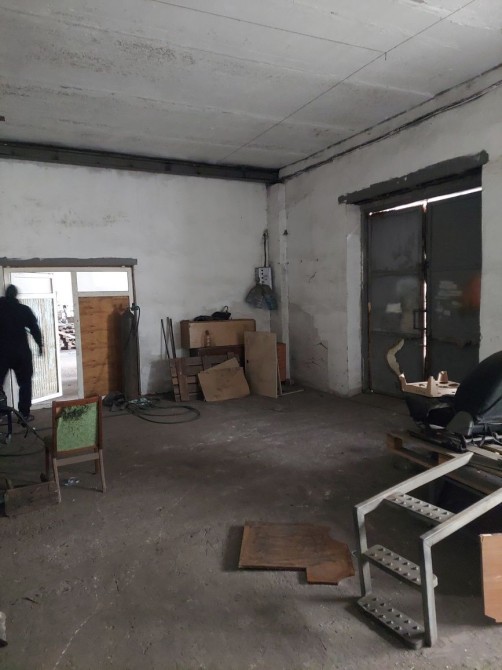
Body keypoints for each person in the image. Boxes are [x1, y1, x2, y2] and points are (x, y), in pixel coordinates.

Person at [0, 285, 43, 422]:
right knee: (25, 384)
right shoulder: (23, 310)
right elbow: (35, 329)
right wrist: (40, 345)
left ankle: (1, 412)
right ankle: (24, 414)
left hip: (2, 353)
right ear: (16, 294)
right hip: (21, 353)